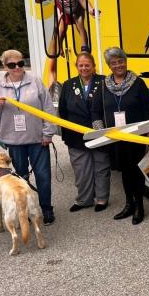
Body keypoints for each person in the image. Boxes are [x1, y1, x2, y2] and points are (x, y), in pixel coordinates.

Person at [91, 47, 149, 225]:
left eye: (121, 61)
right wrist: (100, 133)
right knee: (125, 172)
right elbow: (95, 111)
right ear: (109, 65)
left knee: (137, 171)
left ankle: (139, 206)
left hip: (136, 136)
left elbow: (148, 110)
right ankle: (129, 205)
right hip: (115, 137)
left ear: (125, 61)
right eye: (114, 62)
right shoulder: (103, 86)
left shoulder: (138, 83)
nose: (118, 65)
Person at [0, 49, 57, 225]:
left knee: (43, 176)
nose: (17, 68)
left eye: (20, 63)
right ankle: (27, 210)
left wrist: (48, 133)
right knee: (21, 178)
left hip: (38, 139)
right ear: (5, 66)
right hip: (14, 142)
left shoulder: (35, 81)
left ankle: (46, 209)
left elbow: (48, 109)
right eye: (12, 65)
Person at [58, 53, 110, 213]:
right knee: (81, 169)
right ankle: (84, 199)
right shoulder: (68, 84)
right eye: (81, 65)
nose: (84, 68)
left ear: (93, 66)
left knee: (101, 166)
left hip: (99, 132)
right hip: (76, 135)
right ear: (77, 67)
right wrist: (66, 132)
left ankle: (101, 199)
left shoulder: (104, 82)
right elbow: (63, 111)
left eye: (87, 65)